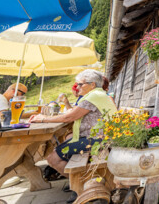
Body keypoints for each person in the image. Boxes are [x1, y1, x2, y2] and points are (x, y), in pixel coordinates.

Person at [29, 69, 117, 203]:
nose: (77, 87)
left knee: (53, 158)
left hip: (98, 140)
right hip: (100, 138)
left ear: (92, 84)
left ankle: (81, 186)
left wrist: (42, 119)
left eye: (81, 84)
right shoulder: (97, 94)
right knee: (65, 142)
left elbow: (69, 117)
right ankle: (81, 183)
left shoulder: (93, 96)